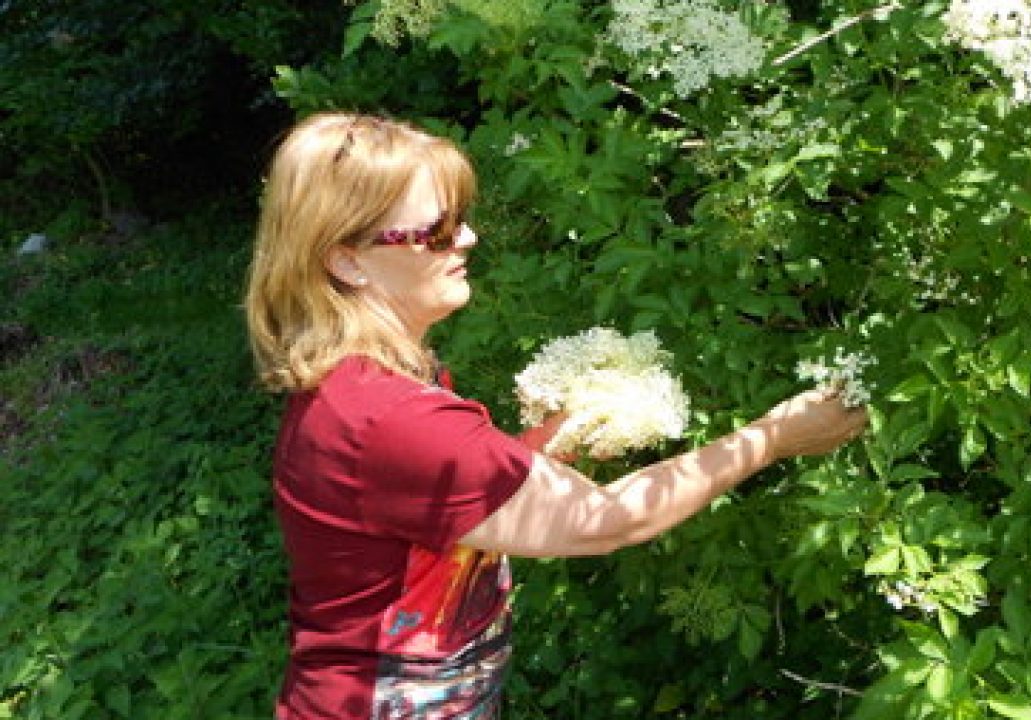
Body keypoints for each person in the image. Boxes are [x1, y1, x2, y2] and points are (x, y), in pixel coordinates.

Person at [244, 111, 868, 720]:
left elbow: (438, 506)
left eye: (461, 218)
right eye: (436, 231)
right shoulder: (393, 419)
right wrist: (774, 438)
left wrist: (536, 447)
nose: (468, 239)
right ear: (346, 259)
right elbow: (604, 521)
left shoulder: (370, 380)